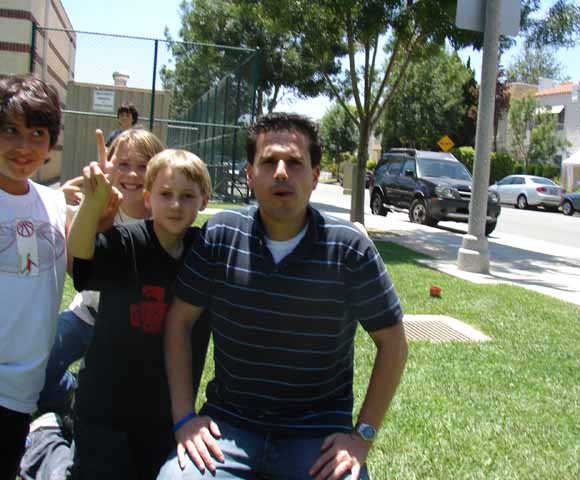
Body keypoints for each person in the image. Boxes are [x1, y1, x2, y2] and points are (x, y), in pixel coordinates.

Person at [157, 113, 408, 480]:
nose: (280, 173)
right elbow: (179, 322)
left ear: (315, 175)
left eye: (294, 162)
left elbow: (394, 343)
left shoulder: (349, 249)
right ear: (249, 174)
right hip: (228, 429)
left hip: (318, 438)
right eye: (268, 161)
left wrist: (362, 437)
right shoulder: (220, 235)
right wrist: (184, 418)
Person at [62, 149, 213, 479]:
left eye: (187, 196)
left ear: (205, 200)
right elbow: (81, 257)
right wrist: (91, 206)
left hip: (163, 414)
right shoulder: (128, 242)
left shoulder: (205, 253)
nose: (175, 205)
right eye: (165, 194)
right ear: (147, 198)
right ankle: (47, 441)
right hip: (104, 410)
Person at [37, 129, 164, 416]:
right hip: (86, 315)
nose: (132, 174)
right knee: (40, 366)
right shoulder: (95, 205)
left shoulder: (161, 215)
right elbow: (77, 267)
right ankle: (67, 393)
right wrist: (91, 208)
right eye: (123, 164)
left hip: (129, 327)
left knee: (118, 394)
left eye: (143, 166)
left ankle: (82, 393)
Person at [0, 74, 66, 479]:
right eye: (10, 130)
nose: (23, 147)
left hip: (23, 390)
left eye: (37, 134)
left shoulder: (55, 203)